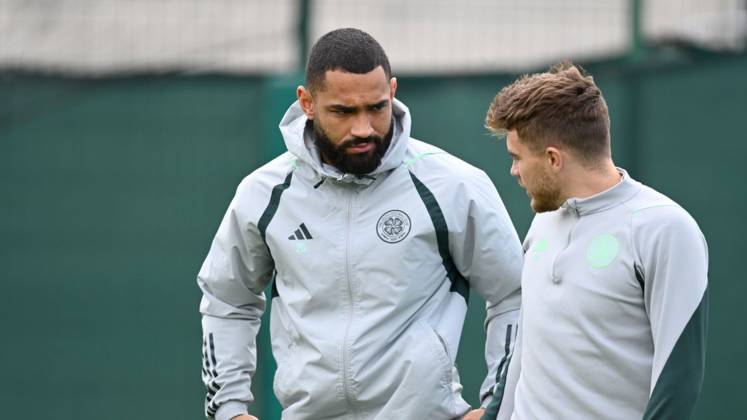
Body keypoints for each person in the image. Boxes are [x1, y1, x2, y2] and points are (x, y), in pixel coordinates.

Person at [197, 28, 522, 420]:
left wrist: (496, 408)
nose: (363, 128)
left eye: (376, 107)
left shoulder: (452, 184)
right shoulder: (264, 193)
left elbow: (514, 294)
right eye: (343, 112)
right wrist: (229, 409)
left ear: (393, 92)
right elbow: (226, 299)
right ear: (307, 102)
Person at [482, 62, 709, 420]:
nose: (514, 171)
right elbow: (521, 356)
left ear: (553, 159)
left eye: (516, 157)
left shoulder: (665, 229)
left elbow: (677, 381)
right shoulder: (542, 223)